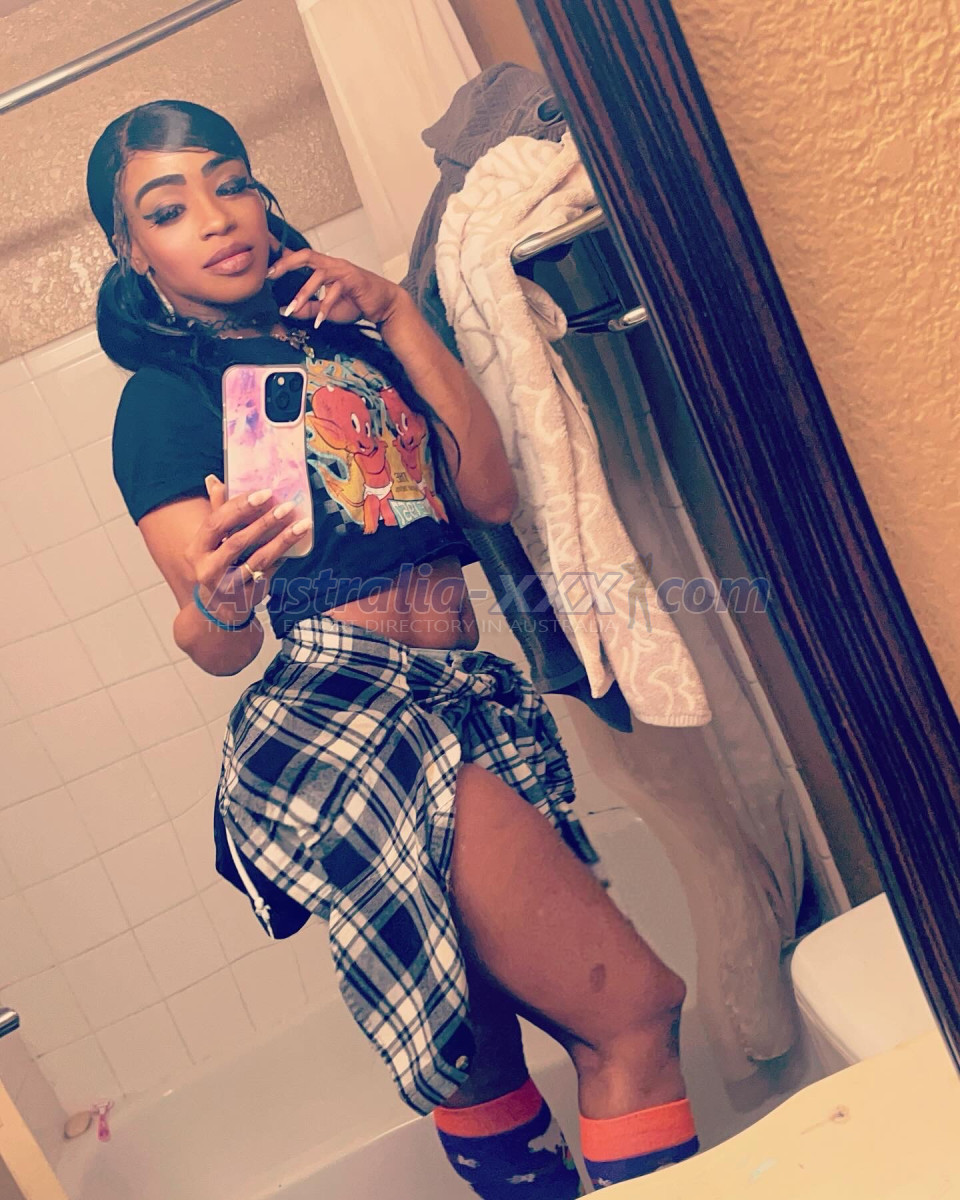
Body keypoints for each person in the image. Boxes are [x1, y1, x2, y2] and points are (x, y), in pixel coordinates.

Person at [87, 99, 700, 1196]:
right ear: (135, 252)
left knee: (481, 1053)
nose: (216, 218)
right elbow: (215, 645)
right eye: (169, 210)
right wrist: (222, 595)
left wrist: (401, 315)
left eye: (231, 183)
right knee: (635, 1012)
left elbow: (490, 495)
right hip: (343, 711)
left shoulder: (354, 342)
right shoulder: (165, 401)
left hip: (458, 691)